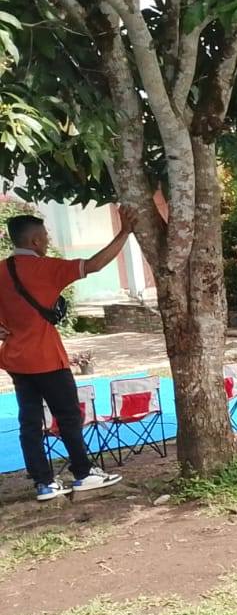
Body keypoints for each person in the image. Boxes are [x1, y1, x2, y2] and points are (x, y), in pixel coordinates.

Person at [1, 212, 127, 500]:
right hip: (47, 358)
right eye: (45, 237)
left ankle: (44, 482)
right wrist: (124, 232)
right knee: (68, 417)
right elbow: (93, 265)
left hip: (16, 360)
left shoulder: (2, 271)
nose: (47, 241)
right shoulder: (45, 268)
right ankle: (83, 473)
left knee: (29, 422)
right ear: (34, 240)